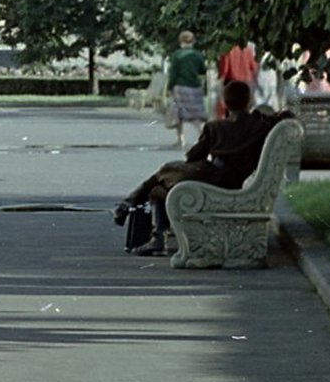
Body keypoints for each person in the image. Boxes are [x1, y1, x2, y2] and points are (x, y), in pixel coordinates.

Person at [116, 79, 282, 256]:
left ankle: (132, 207)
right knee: (158, 187)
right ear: (248, 101)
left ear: (225, 103)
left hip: (214, 179)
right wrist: (261, 115)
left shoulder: (215, 127)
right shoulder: (260, 125)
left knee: (166, 170)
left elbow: (193, 156)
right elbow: (284, 116)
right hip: (233, 181)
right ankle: (145, 224)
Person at [163, 28, 207, 150]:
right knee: (196, 116)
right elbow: (202, 70)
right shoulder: (197, 55)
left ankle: (180, 139)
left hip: (180, 87)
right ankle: (203, 137)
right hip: (194, 87)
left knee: (179, 113)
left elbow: (173, 73)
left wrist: (169, 87)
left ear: (180, 41)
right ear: (193, 41)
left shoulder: (177, 55)